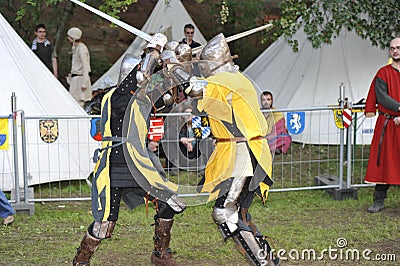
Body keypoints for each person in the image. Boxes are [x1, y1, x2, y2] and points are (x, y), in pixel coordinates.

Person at [73, 33, 185, 266]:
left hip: (137, 166)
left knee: (170, 203)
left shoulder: (139, 98)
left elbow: (171, 96)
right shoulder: (117, 97)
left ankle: (160, 254)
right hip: (114, 167)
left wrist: (173, 58)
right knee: (104, 226)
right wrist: (155, 46)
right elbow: (145, 75)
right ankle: (81, 262)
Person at [170, 33, 280, 265]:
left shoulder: (227, 81)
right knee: (236, 212)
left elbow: (193, 88)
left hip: (244, 152)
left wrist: (174, 66)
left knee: (225, 212)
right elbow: (203, 96)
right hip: (238, 150)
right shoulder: (232, 80)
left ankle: (263, 261)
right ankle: (266, 259)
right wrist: (188, 62)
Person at [364, 36, 400, 213]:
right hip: (388, 123)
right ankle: (379, 200)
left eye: (398, 47)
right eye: (392, 48)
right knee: (384, 160)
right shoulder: (383, 73)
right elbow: (382, 97)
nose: (395, 51)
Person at [66, 27, 92, 108]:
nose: (68, 38)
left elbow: (85, 66)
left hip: (80, 80)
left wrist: (84, 82)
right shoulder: (76, 48)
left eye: (69, 37)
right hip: (76, 79)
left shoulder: (82, 48)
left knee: (79, 104)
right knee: (73, 102)